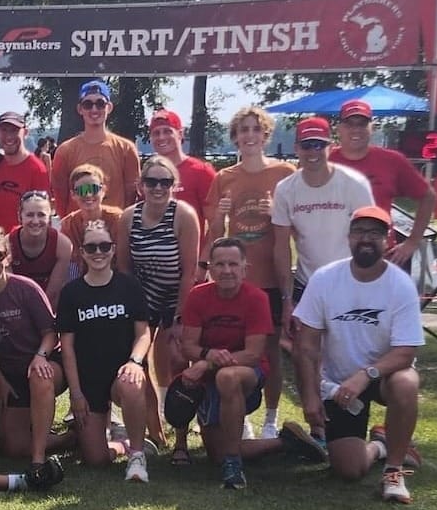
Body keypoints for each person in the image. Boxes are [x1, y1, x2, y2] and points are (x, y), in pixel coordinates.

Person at [292, 207, 424, 503]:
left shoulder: (400, 285)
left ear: (387, 239)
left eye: (375, 233)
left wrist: (367, 374)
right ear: (349, 237)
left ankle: (394, 472)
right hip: (339, 384)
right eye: (360, 232)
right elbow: (307, 345)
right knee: (349, 470)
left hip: (382, 376)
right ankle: (381, 445)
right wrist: (311, 396)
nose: (366, 239)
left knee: (406, 382)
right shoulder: (325, 279)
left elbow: (406, 351)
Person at [175, 237, 327, 488]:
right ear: (210, 268)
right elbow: (188, 345)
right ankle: (287, 443)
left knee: (229, 377)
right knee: (215, 453)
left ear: (245, 268)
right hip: (210, 375)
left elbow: (254, 354)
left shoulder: (256, 298)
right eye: (220, 264)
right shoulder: (197, 296)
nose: (226, 271)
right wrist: (207, 356)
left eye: (233, 264)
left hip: (248, 374)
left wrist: (208, 362)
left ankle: (233, 464)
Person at [206, 106, 296, 439]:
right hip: (236, 282)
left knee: (271, 350)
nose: (249, 136)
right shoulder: (224, 177)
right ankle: (240, 414)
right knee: (237, 348)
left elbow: (295, 228)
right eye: (243, 130)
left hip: (270, 278)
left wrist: (278, 212)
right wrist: (219, 215)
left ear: (266, 135)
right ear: (235, 137)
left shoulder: (285, 173)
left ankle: (271, 418)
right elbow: (214, 234)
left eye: (255, 130)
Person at [0, 231, 68, 484]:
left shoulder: (26, 288)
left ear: (7, 258)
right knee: (12, 447)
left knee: (39, 376)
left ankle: (38, 458)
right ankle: (70, 437)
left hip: (46, 364)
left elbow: (50, 333)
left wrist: (40, 356)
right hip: (9, 374)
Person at [56, 221, 152, 481]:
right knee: (95, 460)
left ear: (113, 250)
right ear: (82, 252)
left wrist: (135, 361)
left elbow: (144, 333)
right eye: (91, 247)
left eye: (104, 246)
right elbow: (67, 349)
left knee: (131, 383)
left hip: (122, 372)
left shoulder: (129, 286)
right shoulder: (71, 293)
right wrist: (75, 394)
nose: (98, 252)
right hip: (90, 381)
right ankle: (121, 442)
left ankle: (137, 455)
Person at [118, 155, 199, 449]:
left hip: (177, 294)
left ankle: (180, 434)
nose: (158, 188)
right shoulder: (129, 217)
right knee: (137, 360)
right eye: (151, 181)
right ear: (141, 185)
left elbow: (189, 271)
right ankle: (155, 428)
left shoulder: (184, 215)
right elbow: (124, 268)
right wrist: (134, 309)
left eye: (165, 182)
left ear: (173, 185)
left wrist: (179, 318)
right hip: (142, 296)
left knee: (178, 360)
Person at [273, 116, 375, 335]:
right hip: (307, 282)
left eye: (319, 145)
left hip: (350, 281)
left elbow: (370, 238)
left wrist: (367, 285)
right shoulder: (285, 189)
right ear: (296, 148)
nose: (313, 152)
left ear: (330, 145)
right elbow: (281, 247)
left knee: (350, 350)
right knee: (305, 351)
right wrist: (286, 299)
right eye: (306, 145)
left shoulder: (354, 184)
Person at [329, 99, 436, 267]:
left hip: (380, 255)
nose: (356, 130)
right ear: (339, 129)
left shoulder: (392, 160)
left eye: (362, 124)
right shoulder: (326, 161)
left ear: (372, 127)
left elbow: (428, 196)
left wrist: (413, 241)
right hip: (334, 256)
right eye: (350, 124)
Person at [50, 80, 141, 214]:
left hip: (115, 229)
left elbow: (132, 196)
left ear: (109, 107)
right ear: (80, 109)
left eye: (100, 104)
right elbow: (60, 196)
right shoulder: (65, 151)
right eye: (88, 104)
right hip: (77, 231)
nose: (94, 109)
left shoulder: (126, 149)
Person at [148, 109, 217, 280]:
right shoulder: (149, 174)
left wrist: (203, 263)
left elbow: (216, 224)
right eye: (156, 133)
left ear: (180, 133)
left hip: (190, 268)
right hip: (155, 269)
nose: (161, 137)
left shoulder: (201, 171)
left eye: (167, 131)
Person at [0, 111, 49, 231]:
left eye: (14, 131)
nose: (9, 136)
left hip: (24, 242)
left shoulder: (37, 169)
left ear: (25, 132)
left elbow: (44, 214)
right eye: (4, 130)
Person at [8, 191, 73, 309]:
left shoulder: (62, 245)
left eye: (41, 215)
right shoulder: (7, 244)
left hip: (49, 304)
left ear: (49, 217)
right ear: (20, 216)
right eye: (30, 215)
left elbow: (53, 293)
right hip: (17, 306)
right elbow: (9, 291)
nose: (35, 221)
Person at [59, 164, 123, 276]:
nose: (88, 195)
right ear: (73, 194)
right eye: (82, 190)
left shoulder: (118, 219)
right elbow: (70, 264)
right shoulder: (68, 225)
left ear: (103, 190)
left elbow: (124, 260)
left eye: (93, 189)